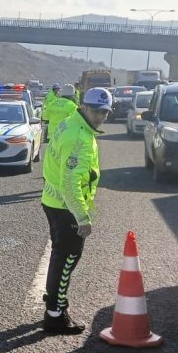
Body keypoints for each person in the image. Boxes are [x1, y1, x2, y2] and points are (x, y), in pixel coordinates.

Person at [39, 87, 113, 334]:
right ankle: (55, 315)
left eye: (105, 112)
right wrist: (82, 217)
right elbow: (70, 183)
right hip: (66, 207)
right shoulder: (79, 137)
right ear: (84, 107)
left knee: (60, 256)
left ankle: (53, 304)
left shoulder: (71, 123)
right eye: (96, 111)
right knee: (68, 258)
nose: (100, 116)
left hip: (53, 201)